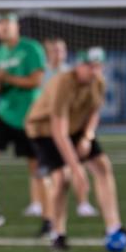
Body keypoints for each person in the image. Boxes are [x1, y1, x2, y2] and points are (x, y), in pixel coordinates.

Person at [24, 47, 126, 252]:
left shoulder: (99, 82)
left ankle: (114, 228)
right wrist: (77, 170)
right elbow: (58, 131)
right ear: (78, 65)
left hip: (75, 127)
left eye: (97, 66)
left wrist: (87, 137)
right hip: (44, 130)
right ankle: (57, 235)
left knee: (103, 167)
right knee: (62, 178)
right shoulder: (62, 83)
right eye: (88, 65)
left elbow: (94, 112)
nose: (93, 70)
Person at [0, 13, 47, 234]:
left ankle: (50, 220)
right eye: (0, 25)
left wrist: (7, 78)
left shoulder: (31, 48)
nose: (3, 28)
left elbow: (36, 81)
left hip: (30, 115)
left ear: (17, 26)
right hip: (5, 114)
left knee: (38, 168)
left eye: (7, 24)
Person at [41, 37, 97, 220]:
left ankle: (83, 203)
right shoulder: (42, 73)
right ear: (48, 53)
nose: (58, 54)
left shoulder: (71, 73)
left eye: (61, 50)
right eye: (54, 50)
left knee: (76, 164)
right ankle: (45, 210)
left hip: (68, 124)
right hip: (47, 126)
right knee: (51, 172)